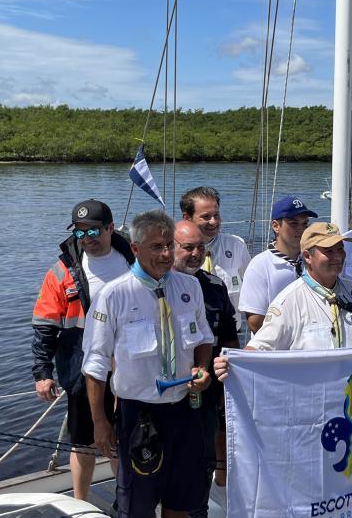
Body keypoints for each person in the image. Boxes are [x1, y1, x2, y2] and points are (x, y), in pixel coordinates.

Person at [83, 210, 215, 518]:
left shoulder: (190, 287)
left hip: (185, 411)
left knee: (180, 502)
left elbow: (204, 338)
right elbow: (95, 364)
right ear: (135, 249)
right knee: (137, 506)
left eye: (169, 245)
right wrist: (100, 422)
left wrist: (202, 368)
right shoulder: (113, 295)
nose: (166, 254)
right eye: (156, 247)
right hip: (138, 415)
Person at [31, 199, 133, 501]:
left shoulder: (134, 260)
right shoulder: (61, 271)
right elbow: (44, 324)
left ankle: (126, 502)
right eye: (79, 232)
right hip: (82, 369)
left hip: (131, 368)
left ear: (110, 228)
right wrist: (43, 372)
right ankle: (80, 504)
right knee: (83, 442)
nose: (86, 238)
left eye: (93, 231)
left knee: (123, 440)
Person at [214, 223, 352, 381]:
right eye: (329, 251)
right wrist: (232, 363)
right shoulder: (289, 302)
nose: (338, 256)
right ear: (308, 257)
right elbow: (261, 346)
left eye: (340, 249)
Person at [172, 221, 240, 517]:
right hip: (166, 393)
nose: (196, 253)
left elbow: (229, 338)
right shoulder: (157, 287)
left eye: (201, 247)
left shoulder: (214, 286)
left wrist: (230, 383)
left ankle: (199, 510)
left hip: (207, 390)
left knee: (204, 458)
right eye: (188, 247)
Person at [238, 195, 316, 334]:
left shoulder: (313, 260)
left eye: (305, 224)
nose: (301, 229)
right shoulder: (260, 266)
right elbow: (255, 323)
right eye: (294, 224)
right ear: (276, 226)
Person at [180, 187, 251, 331]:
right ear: (187, 218)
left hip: (230, 333)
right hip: (190, 335)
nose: (213, 222)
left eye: (216, 215)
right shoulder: (173, 251)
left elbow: (252, 289)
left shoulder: (237, 245)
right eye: (206, 217)